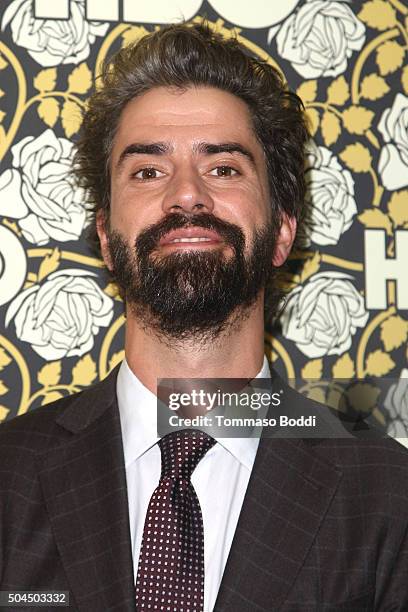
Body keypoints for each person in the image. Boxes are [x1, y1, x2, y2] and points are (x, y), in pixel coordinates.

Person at [1, 22, 408, 612]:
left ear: (282, 233)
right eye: (147, 171)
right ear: (106, 239)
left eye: (223, 168)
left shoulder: (388, 495)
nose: (186, 195)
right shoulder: (7, 477)